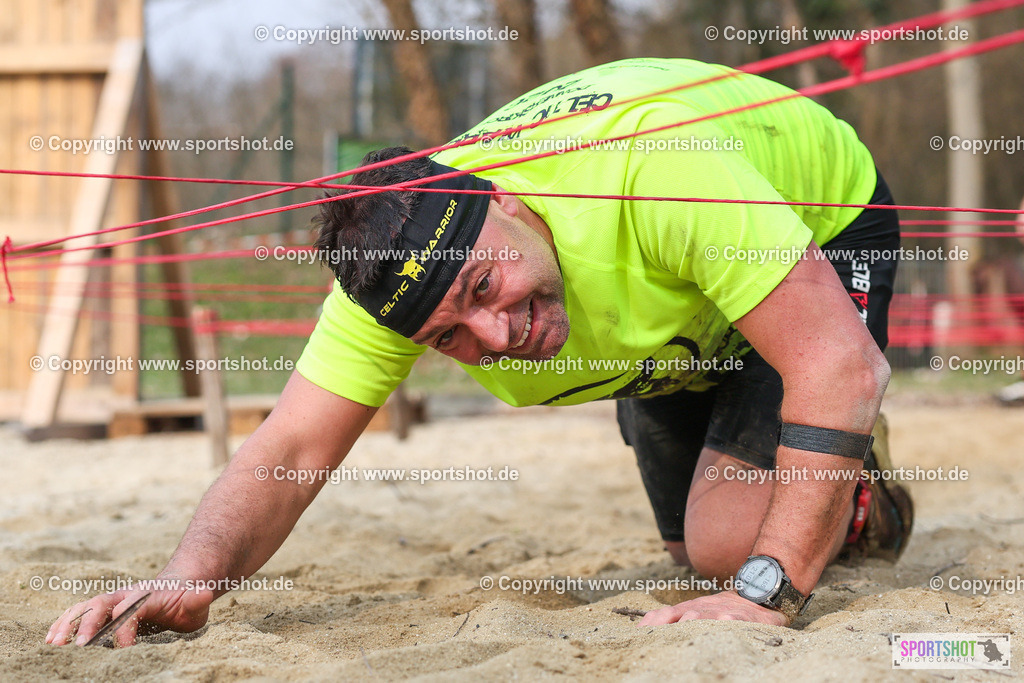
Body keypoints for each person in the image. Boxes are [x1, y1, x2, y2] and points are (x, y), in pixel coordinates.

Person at [47, 57, 913, 646]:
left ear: (506, 199)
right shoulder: (392, 286)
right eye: (448, 338)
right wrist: (189, 574)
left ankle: (862, 490)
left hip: (819, 215)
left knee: (735, 554)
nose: (498, 337)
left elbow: (839, 367)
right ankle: (708, 386)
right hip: (673, 302)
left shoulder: (653, 169)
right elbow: (291, 447)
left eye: (484, 286)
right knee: (698, 553)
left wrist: (767, 594)